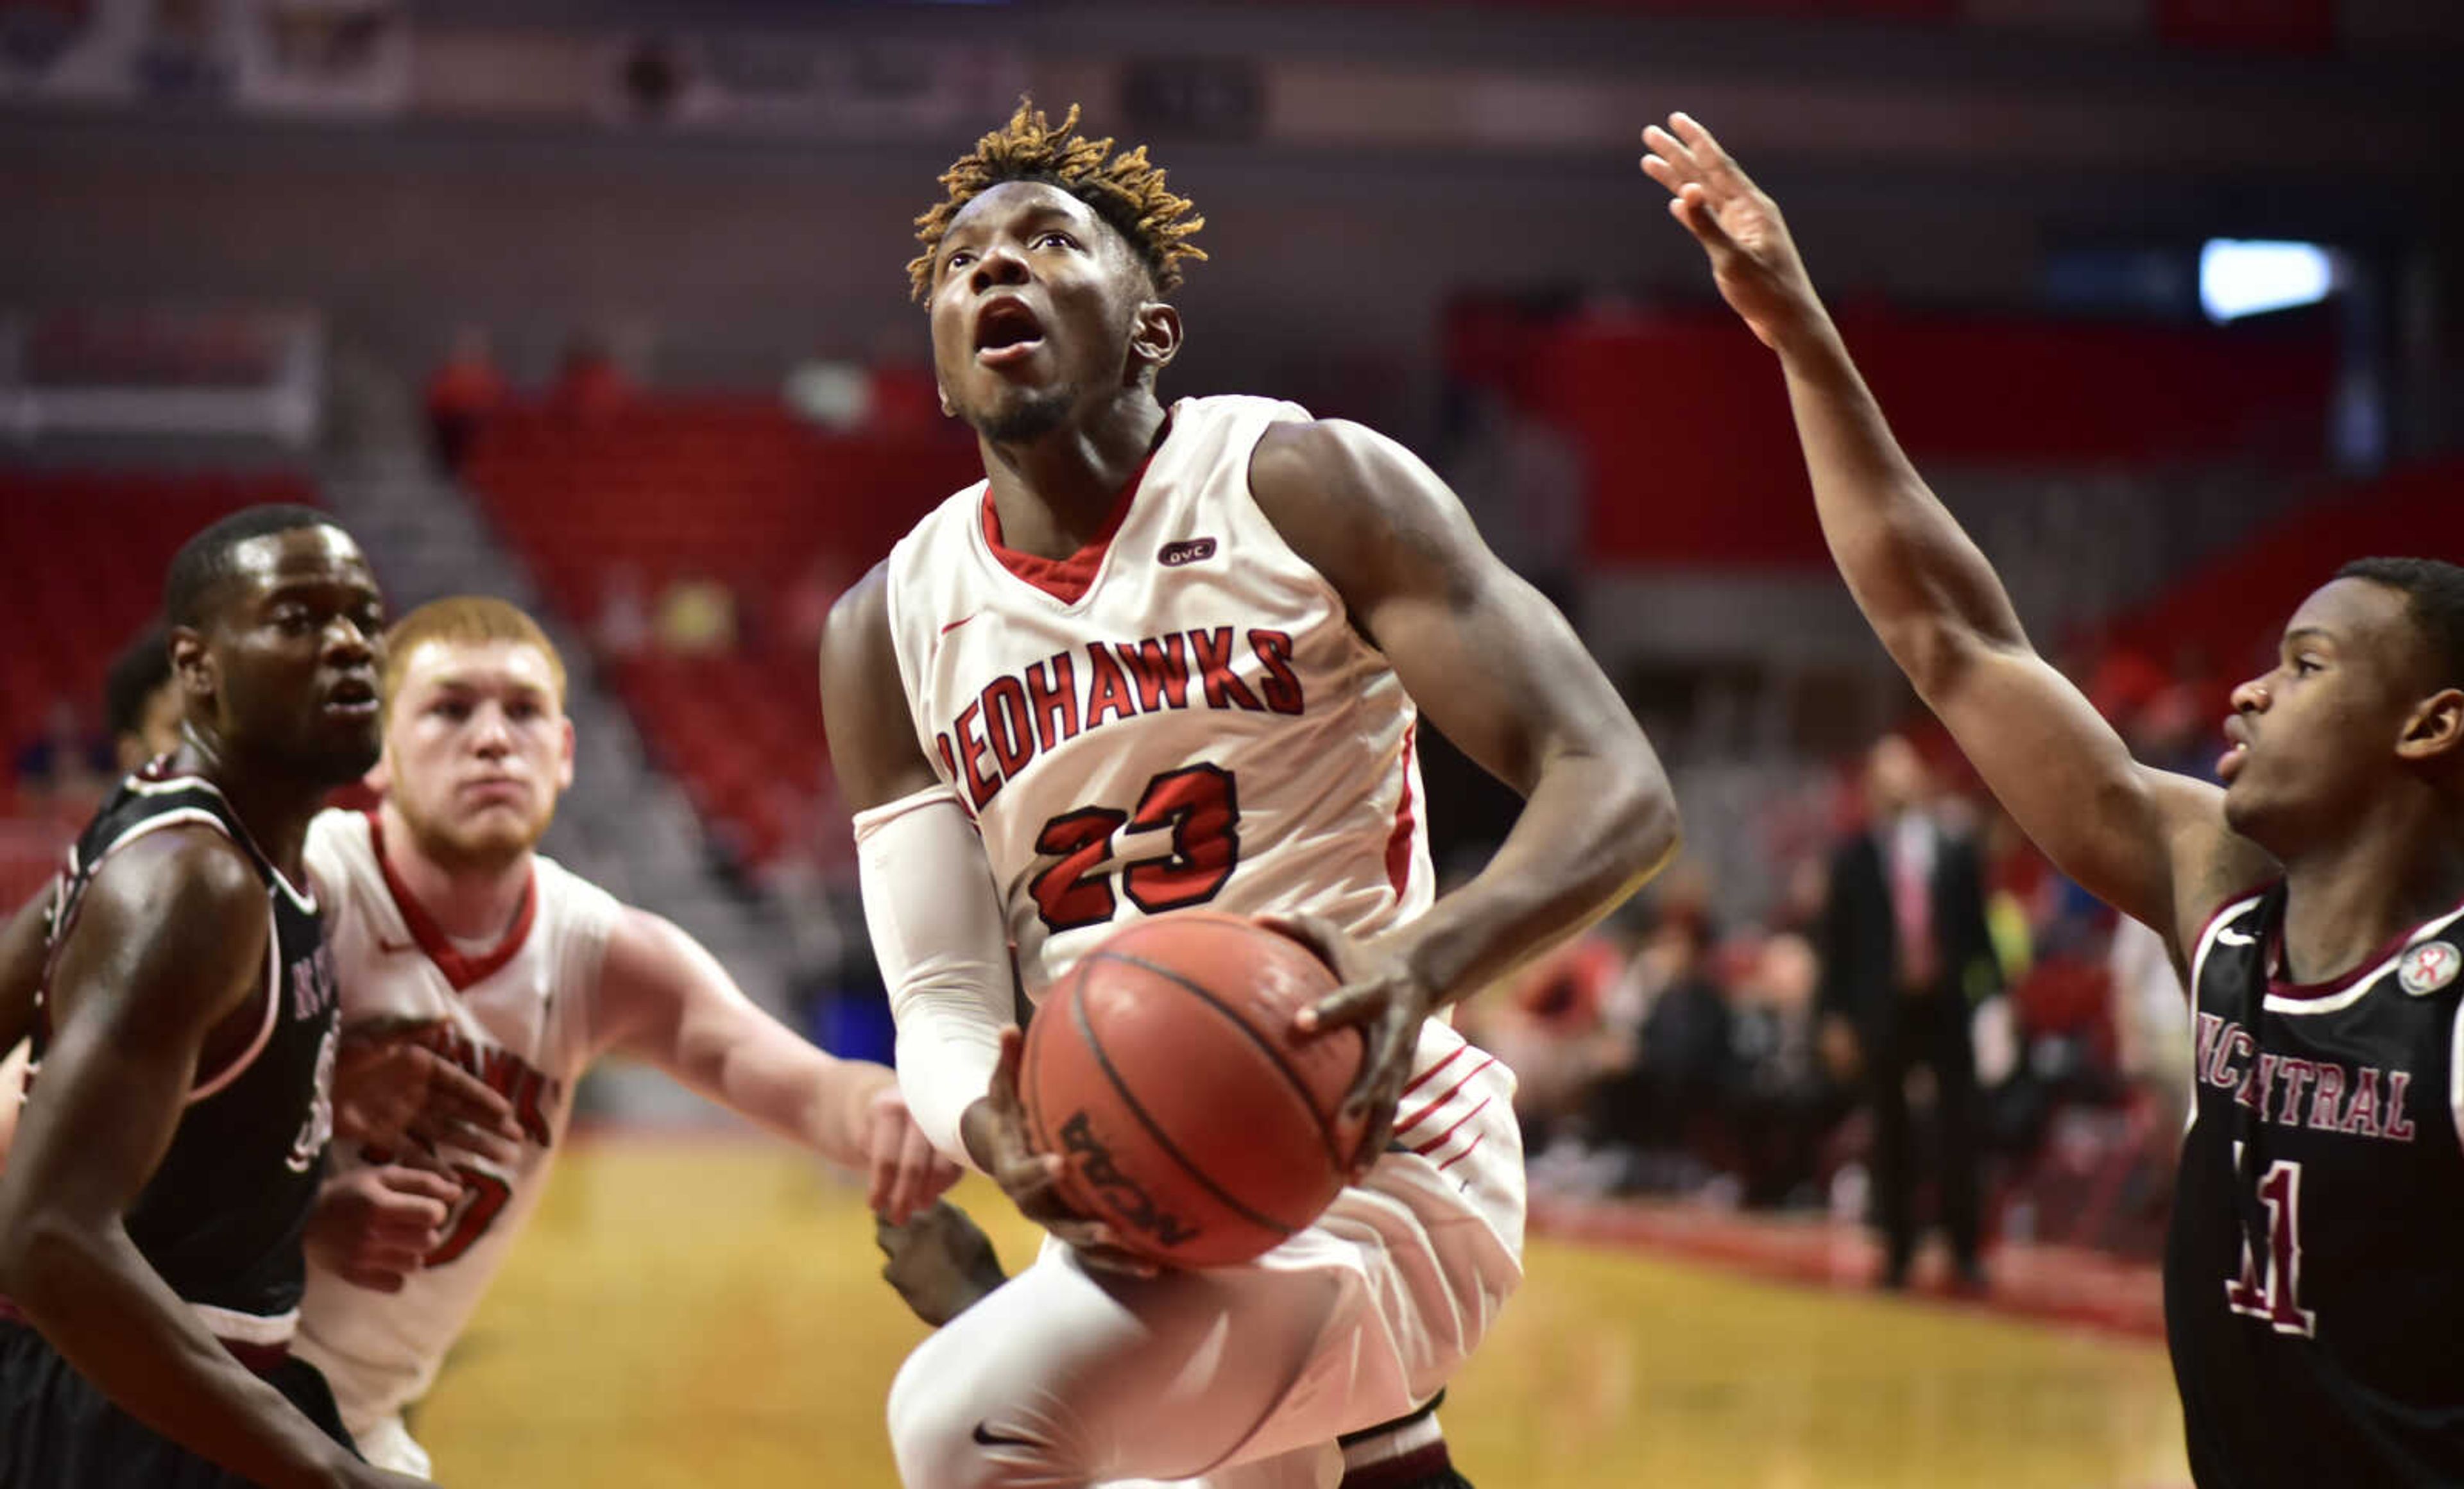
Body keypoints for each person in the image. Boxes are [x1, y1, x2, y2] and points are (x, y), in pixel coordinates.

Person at [819, 101, 1679, 1489]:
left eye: (1050, 241)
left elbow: (1618, 786)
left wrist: (1418, 961)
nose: (996, 269)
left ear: (1152, 328)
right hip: (1137, 1175)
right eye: (963, 258)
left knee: (961, 1418)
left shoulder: (1299, 481)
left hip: (1380, 1141)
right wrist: (992, 1126)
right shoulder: (885, 629)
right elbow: (943, 1000)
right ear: (938, 365)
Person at [1645, 111, 2464, 1486]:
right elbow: (1954, 636)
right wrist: (1802, 335)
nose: (2253, 694)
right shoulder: (2219, 906)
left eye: (2308, 665)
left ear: (2434, 723)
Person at [286, 595, 964, 1477]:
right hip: (185, 1374)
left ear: (565, 755)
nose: (493, 738)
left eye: (524, 711)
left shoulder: (596, 950)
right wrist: (290, 1219)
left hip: (359, 1424)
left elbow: (805, 1086)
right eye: (450, 708)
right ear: (376, 753)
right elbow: (73, 1130)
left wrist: (894, 1108)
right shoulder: (299, 888)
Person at [0, 505, 424, 1488]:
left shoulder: (196, 826)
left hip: (174, 1384)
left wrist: (284, 1091)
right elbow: (48, 1235)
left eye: (366, 616)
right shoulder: (193, 882)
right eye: (298, 619)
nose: (351, 644)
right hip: (123, 1406)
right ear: (197, 667)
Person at [1817, 735, 1998, 1289]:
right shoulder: (1852, 856)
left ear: (1920, 779)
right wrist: (1834, 1018)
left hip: (1944, 1005)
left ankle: (1965, 1247)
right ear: (1871, 787)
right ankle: (1897, 1249)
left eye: (1903, 771)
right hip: (1883, 1008)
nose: (1894, 784)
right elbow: (1836, 947)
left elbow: (1976, 933)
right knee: (1890, 1130)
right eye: (1882, 774)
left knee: (1958, 1129)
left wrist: (1995, 999)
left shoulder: (1954, 845)